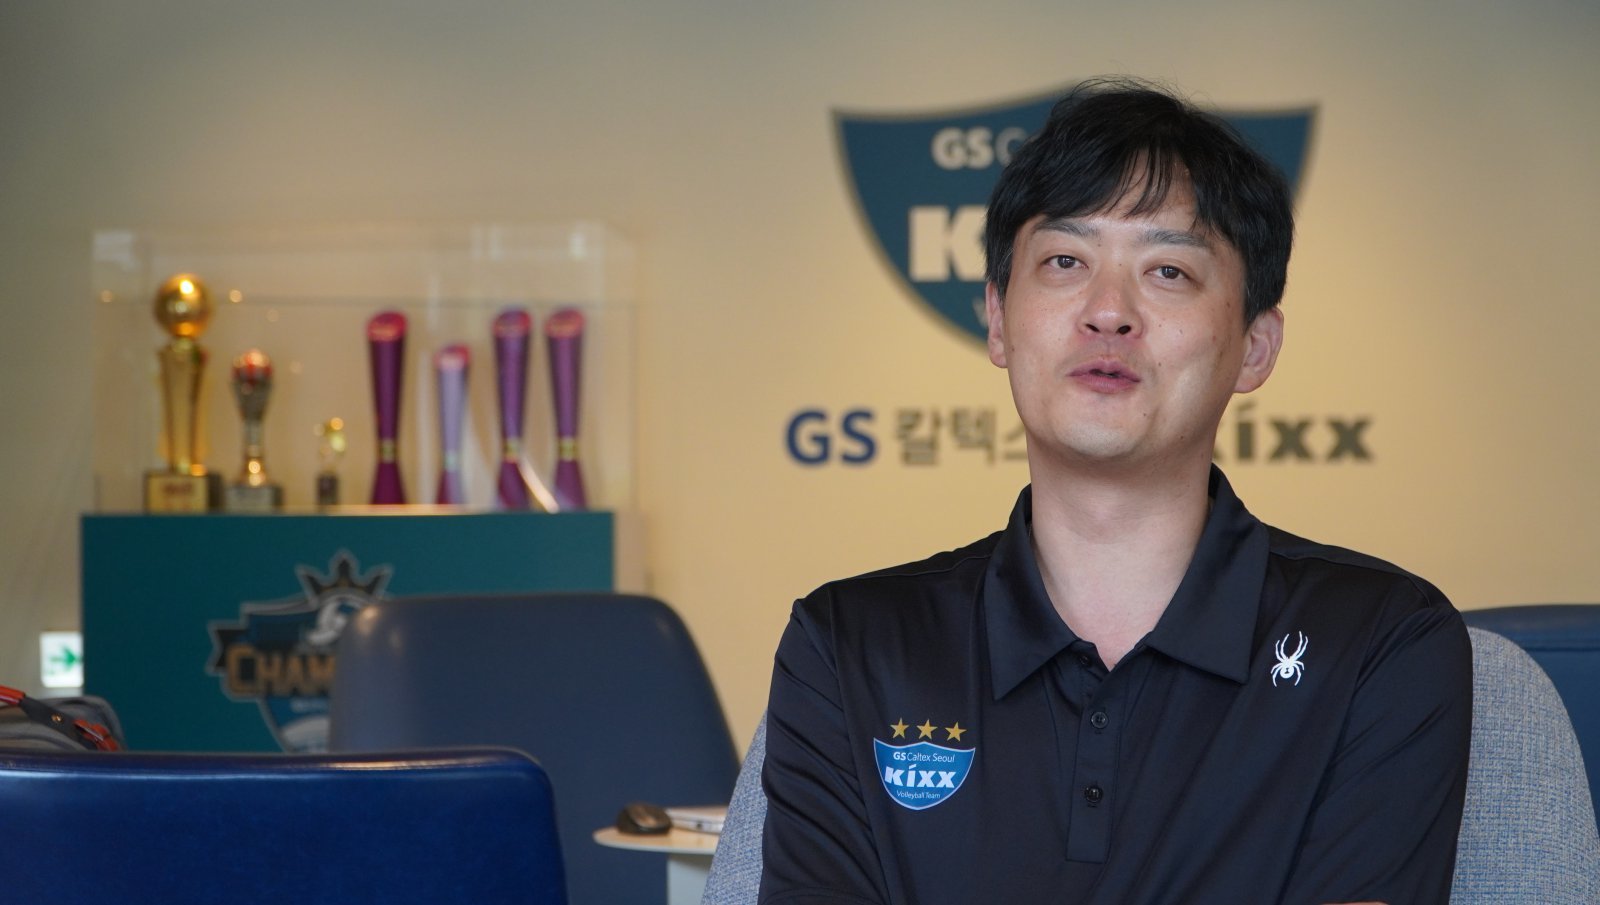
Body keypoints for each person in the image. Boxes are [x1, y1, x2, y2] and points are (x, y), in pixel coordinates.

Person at [758, 79, 1471, 905]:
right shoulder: (849, 646)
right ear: (998, 318)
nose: (1108, 312)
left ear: (1255, 347)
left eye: (1168, 270)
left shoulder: (1381, 641)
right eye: (1066, 261)